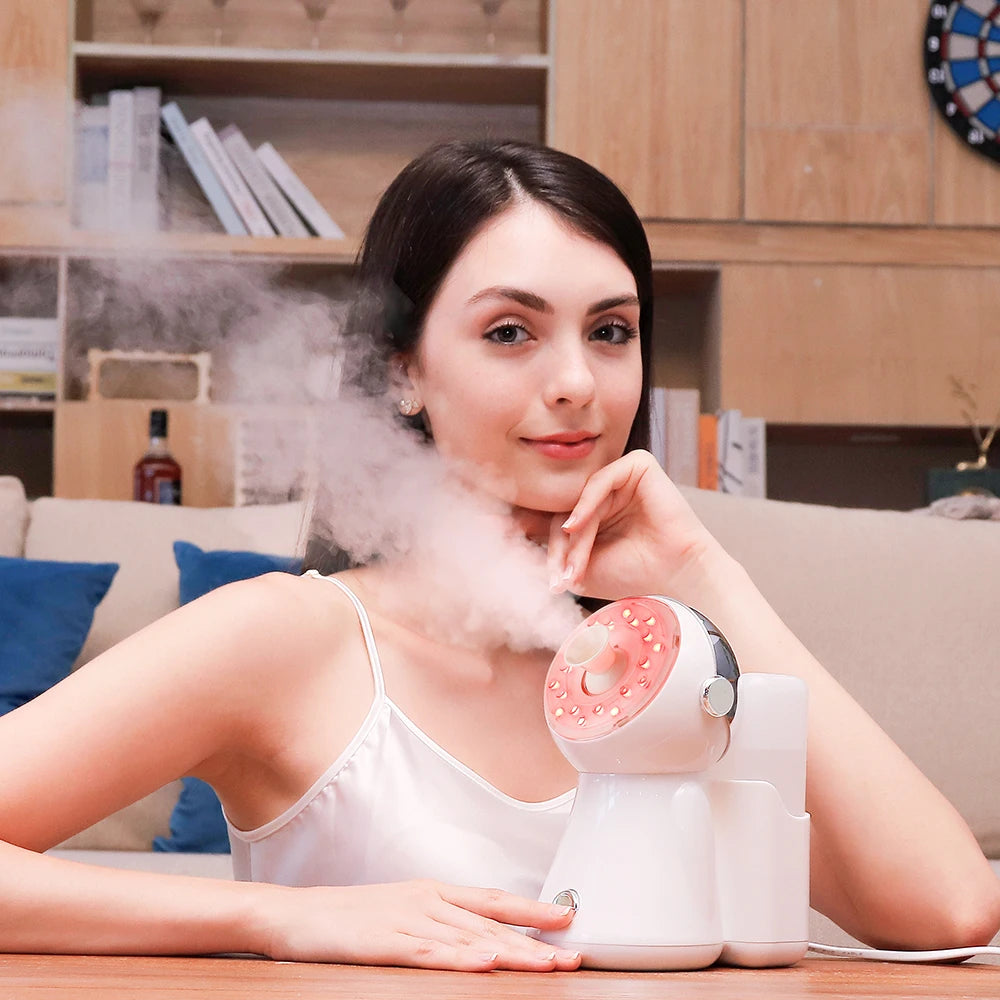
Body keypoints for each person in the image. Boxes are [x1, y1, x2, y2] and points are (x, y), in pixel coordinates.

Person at [1, 139, 997, 972]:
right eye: (511, 331)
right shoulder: (287, 638)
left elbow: (947, 911)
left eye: (611, 330)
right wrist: (278, 919)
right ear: (402, 370)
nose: (577, 382)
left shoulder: (672, 671)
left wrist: (705, 579)